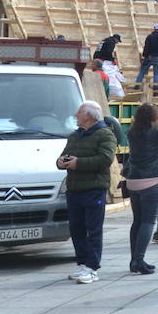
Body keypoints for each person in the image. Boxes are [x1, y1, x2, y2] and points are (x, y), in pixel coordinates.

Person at [58, 101, 117, 284]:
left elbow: (105, 159)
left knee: (93, 230)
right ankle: (82, 263)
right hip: (74, 189)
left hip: (93, 189)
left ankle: (92, 268)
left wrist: (79, 163)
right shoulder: (75, 136)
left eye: (79, 112)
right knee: (76, 229)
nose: (75, 115)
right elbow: (65, 154)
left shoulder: (106, 135)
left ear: (89, 115)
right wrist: (61, 162)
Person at [124, 103, 158, 275]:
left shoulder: (133, 132)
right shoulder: (156, 132)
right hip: (151, 181)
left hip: (133, 181)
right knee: (148, 221)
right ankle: (139, 260)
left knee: (137, 221)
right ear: (155, 117)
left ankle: (134, 260)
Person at [134, 24, 158, 91]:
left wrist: (144, 56)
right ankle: (155, 87)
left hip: (149, 57)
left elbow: (146, 47)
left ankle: (137, 85)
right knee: (156, 74)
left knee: (142, 71)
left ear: (154, 29)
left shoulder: (149, 37)